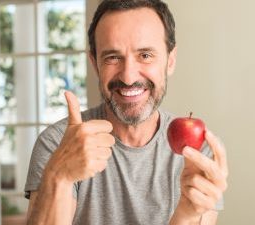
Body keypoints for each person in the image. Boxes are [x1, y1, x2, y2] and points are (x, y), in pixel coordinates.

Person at [24, 0, 228, 224]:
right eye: (112, 57)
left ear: (170, 60)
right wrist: (58, 176)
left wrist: (186, 214)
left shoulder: (197, 152)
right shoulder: (58, 144)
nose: (128, 77)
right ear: (95, 64)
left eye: (145, 55)